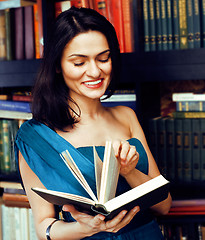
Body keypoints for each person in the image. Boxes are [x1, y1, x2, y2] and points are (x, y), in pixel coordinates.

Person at [15, 6, 172, 240]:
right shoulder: (35, 136)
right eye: (79, 62)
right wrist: (86, 228)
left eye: (103, 58)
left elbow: (164, 205)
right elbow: (43, 226)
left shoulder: (126, 116)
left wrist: (130, 172)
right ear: (58, 66)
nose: (95, 71)